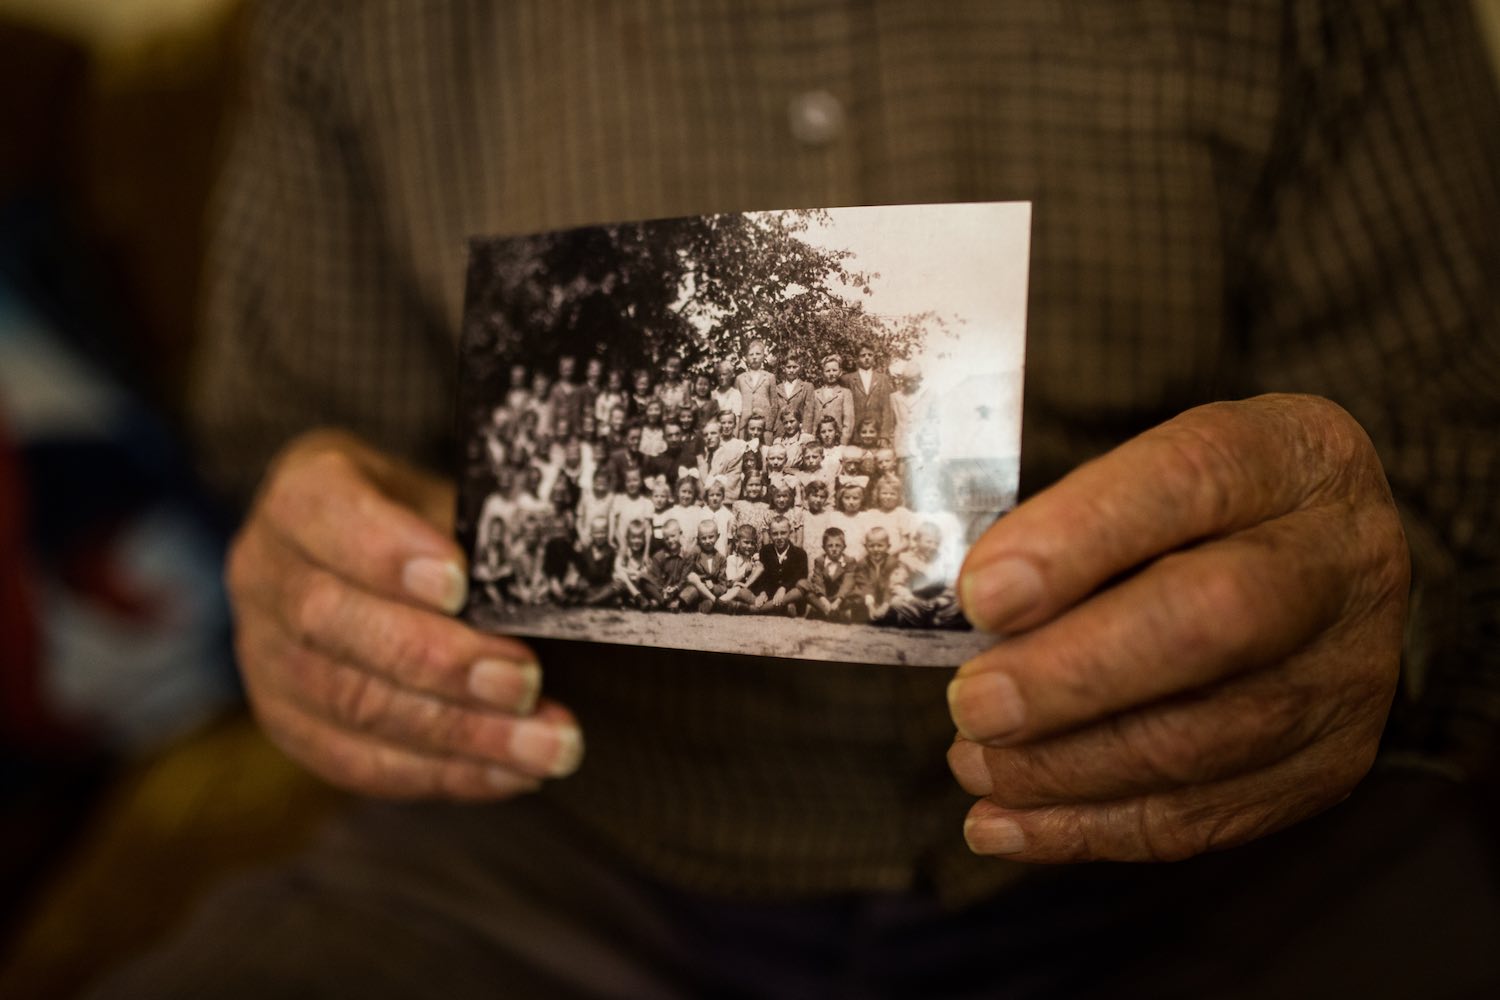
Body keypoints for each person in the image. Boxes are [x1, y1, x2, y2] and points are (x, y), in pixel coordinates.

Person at [108, 3, 1499, 998]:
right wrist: (319, 579)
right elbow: (290, 449)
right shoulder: (348, 25)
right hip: (550, 858)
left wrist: (1383, 614)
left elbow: (1453, 451)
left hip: (1232, 865)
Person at [751, 515, 808, 615]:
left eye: (783, 533)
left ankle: (754, 609)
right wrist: (763, 592)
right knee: (744, 592)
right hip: (771, 593)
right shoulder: (765, 551)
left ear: (790, 532)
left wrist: (783, 588)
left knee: (801, 588)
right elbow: (763, 577)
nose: (779, 537)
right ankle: (781, 607)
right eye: (775, 534)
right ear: (769, 534)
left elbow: (799, 576)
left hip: (789, 592)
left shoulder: (799, 553)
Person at [843, 345, 895, 445]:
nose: (867, 358)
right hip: (854, 436)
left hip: (877, 434)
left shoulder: (883, 379)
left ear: (874, 357)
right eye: (863, 355)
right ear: (857, 358)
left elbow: (887, 409)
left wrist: (884, 436)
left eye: (870, 355)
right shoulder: (847, 380)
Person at [802, 525, 856, 623]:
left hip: (840, 598)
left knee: (855, 596)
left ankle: (825, 612)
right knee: (805, 587)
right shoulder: (820, 561)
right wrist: (824, 601)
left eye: (838, 545)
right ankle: (830, 613)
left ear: (844, 547)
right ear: (824, 548)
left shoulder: (849, 561)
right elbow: (818, 581)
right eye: (830, 545)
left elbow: (847, 584)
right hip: (824, 598)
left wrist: (838, 601)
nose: (834, 549)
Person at [806, 354, 855, 446]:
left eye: (834, 370)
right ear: (822, 373)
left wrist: (842, 444)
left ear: (840, 372)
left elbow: (848, 422)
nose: (831, 374)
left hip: (837, 442)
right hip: (817, 443)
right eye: (828, 371)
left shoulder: (845, 393)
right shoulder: (815, 393)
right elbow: (809, 420)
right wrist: (811, 443)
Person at [734, 338, 777, 428]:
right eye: (751, 354)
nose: (754, 357)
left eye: (758, 354)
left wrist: (769, 425)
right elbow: (736, 404)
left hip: (764, 424)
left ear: (763, 356)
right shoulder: (740, 378)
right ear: (746, 357)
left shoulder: (770, 377)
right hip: (745, 425)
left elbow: (774, 404)